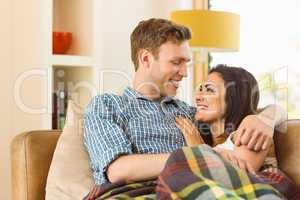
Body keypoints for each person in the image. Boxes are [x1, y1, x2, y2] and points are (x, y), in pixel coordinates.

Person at [83, 18, 284, 188]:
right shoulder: (107, 105)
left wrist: (267, 118)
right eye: (176, 62)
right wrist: (201, 155)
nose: (185, 73)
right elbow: (119, 170)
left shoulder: (188, 113)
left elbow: (237, 112)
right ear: (146, 59)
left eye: (186, 63)